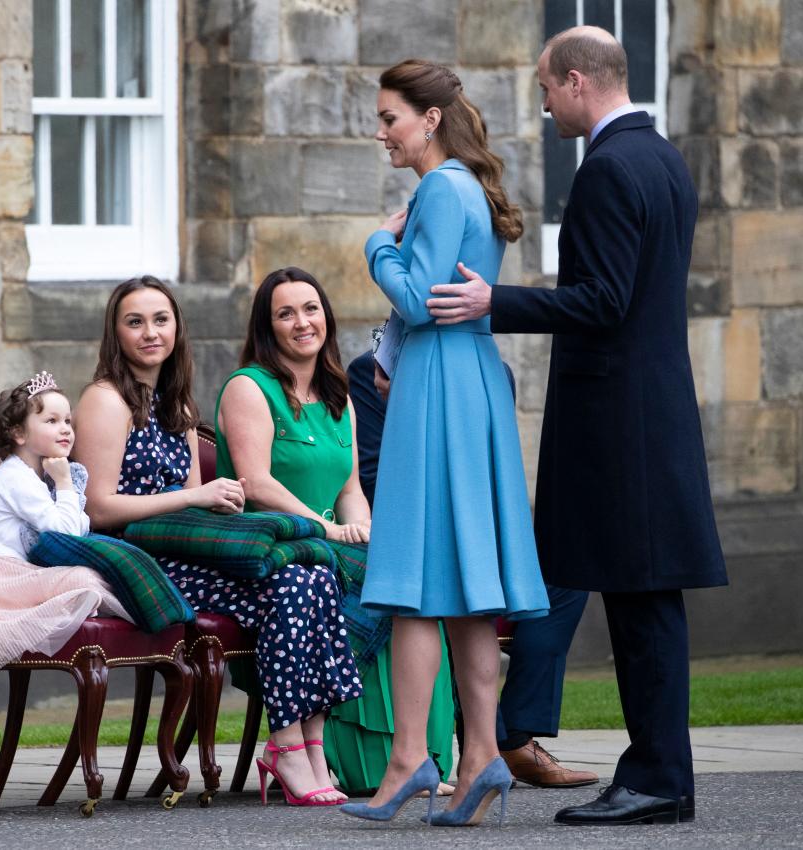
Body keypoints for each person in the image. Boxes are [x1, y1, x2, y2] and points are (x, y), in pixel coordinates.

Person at [427, 26, 729, 826]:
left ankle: (657, 779)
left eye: (545, 87)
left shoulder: (607, 169)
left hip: (619, 425)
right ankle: (659, 772)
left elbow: (603, 302)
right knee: (646, 605)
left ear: (576, 81)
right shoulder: (661, 158)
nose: (542, 101)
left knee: (640, 609)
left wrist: (498, 301)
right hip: (650, 413)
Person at [340, 59, 550, 828]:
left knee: (418, 582)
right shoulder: (469, 186)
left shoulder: (438, 187)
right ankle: (480, 755)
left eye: (390, 117)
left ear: (429, 119)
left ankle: (409, 760)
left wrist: (375, 245)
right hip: (468, 381)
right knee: (463, 584)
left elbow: (420, 301)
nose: (381, 132)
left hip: (440, 384)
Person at [72, 276, 360, 807]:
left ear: (177, 328)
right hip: (136, 557)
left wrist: (214, 502)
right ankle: (287, 745)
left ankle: (310, 743)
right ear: (116, 333)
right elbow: (99, 508)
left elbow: (195, 503)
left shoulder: (175, 404)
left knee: (313, 573)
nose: (151, 333)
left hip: (183, 547)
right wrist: (193, 498)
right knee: (290, 586)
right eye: (135, 322)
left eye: (161, 320)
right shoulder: (106, 400)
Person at [216, 269, 456, 798]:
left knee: (410, 576)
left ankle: (418, 753)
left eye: (311, 308)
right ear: (267, 326)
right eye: (286, 313)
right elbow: (255, 483)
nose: (302, 322)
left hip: (332, 539)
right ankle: (361, 758)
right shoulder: (248, 388)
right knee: (371, 583)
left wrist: (366, 529)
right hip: (279, 543)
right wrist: (326, 527)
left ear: (326, 315)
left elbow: (349, 487)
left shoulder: (337, 395)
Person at [347, 350, 598, 790]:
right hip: (413, 523)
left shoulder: (493, 371)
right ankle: (489, 748)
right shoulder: (376, 371)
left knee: (567, 578)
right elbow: (371, 472)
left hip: (479, 527)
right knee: (445, 586)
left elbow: (497, 467)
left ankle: (514, 732)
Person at [0, 372, 132, 673]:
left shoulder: (35, 476)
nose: (66, 430)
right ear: (20, 434)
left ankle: (139, 619)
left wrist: (62, 483)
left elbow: (76, 529)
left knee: (94, 575)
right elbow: (68, 533)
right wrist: (64, 483)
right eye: (52, 421)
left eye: (68, 421)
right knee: (84, 580)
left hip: (14, 571)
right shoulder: (15, 477)